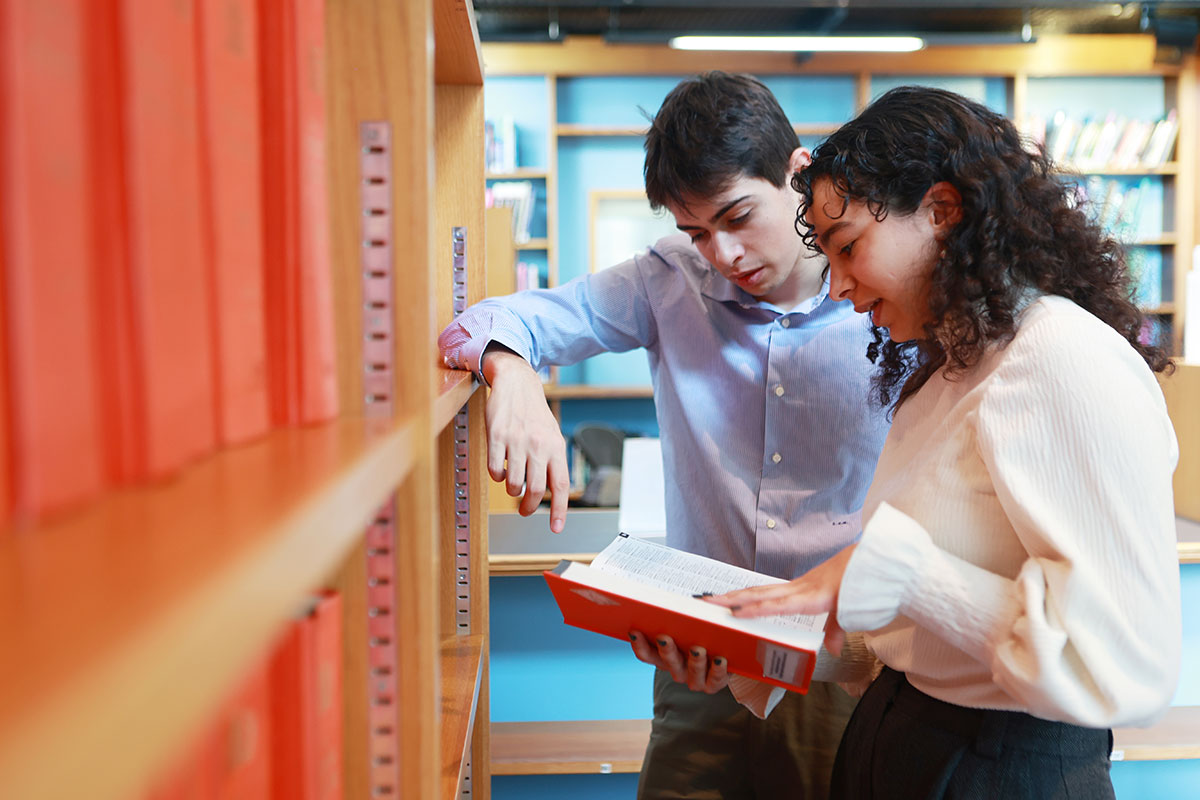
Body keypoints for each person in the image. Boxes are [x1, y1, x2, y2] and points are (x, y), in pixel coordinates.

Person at [708, 85, 1181, 799]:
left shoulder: (1061, 358)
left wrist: (901, 573)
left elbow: (1120, 668)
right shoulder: (949, 370)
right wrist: (753, 646)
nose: (837, 288)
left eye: (849, 248)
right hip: (909, 744)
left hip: (1003, 770)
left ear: (941, 211)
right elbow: (927, 644)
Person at [438, 72, 890, 799]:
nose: (723, 254)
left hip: (839, 665)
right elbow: (492, 320)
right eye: (697, 232)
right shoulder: (664, 280)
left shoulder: (885, 299)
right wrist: (512, 372)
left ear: (797, 173)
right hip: (697, 662)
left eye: (738, 216)